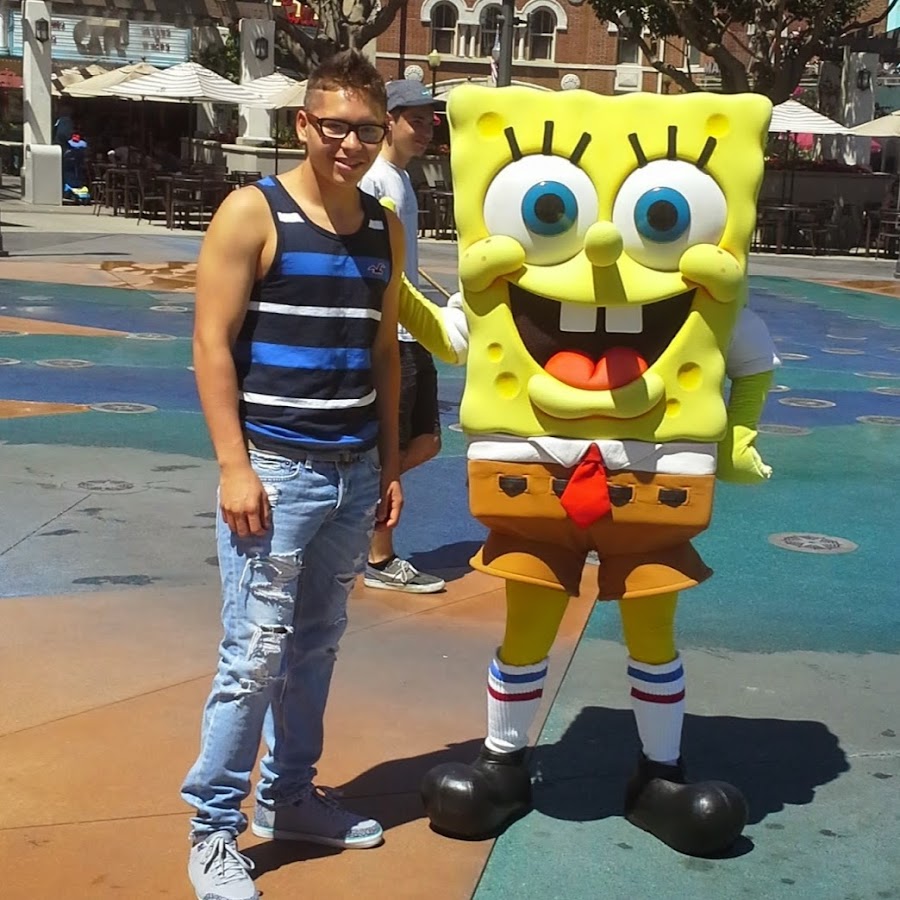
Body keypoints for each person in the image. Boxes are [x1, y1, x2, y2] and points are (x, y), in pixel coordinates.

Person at [181, 50, 404, 900]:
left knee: (316, 645)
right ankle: (212, 831)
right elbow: (210, 344)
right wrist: (234, 467)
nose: (351, 144)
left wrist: (389, 464)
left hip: (353, 472)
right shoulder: (253, 212)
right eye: (335, 127)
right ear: (304, 124)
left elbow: (385, 352)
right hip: (275, 472)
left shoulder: (385, 226)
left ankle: (289, 796)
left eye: (367, 131)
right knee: (253, 656)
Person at [359, 79, 446, 595]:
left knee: (427, 441)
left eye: (430, 121)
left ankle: (355, 502)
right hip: (392, 331)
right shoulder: (375, 180)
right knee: (392, 446)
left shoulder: (400, 178)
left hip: (412, 329)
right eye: (415, 120)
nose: (426, 130)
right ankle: (379, 555)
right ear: (388, 120)